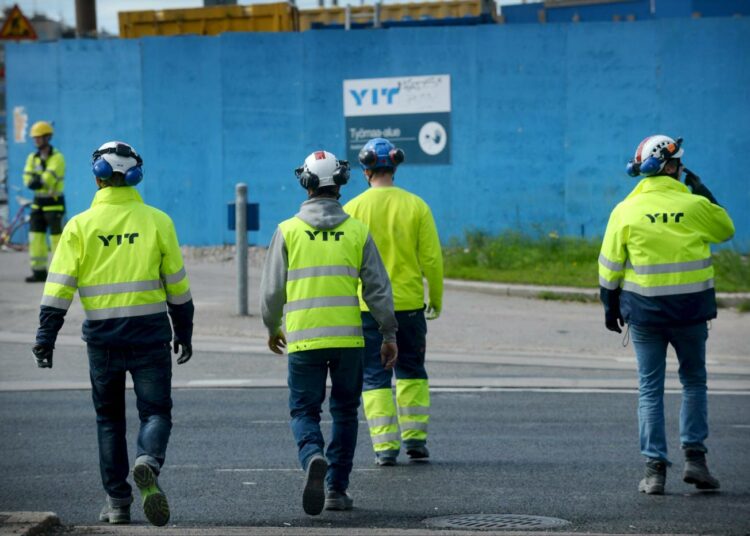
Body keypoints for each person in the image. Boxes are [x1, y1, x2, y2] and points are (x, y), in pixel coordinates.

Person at [32, 141, 195, 526]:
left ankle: (118, 504)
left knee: (109, 420)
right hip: (151, 335)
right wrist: (184, 331)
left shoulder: (80, 226)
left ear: (98, 176)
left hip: (103, 339)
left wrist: (45, 337)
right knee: (155, 412)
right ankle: (147, 461)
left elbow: (58, 288)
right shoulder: (158, 221)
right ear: (136, 175)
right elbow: (178, 286)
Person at [260, 150, 398, 514]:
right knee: (345, 412)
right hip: (349, 341)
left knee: (304, 411)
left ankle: (312, 456)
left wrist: (272, 326)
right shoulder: (356, 231)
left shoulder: (288, 230)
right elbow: (378, 290)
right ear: (341, 183)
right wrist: (388, 334)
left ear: (305, 183)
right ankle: (336, 488)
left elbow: (272, 291)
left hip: (304, 340)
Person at [599, 135, 735, 495]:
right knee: (693, 382)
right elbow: (726, 229)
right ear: (674, 168)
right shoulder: (694, 205)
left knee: (650, 389)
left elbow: (609, 267)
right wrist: (703, 191)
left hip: (645, 315)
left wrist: (609, 307)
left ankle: (655, 471)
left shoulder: (625, 211)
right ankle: (696, 461)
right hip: (690, 313)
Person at [344, 138, 443, 466]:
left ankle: (385, 447)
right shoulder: (416, 205)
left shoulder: (353, 208)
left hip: (367, 306)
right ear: (395, 167)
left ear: (366, 169)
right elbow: (432, 259)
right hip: (409, 304)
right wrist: (436, 299)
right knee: (412, 369)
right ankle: (415, 440)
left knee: (374, 374)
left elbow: (346, 261)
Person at [22, 121, 66, 282]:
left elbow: (49, 178)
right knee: (36, 239)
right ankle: (39, 272)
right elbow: (27, 178)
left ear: (48, 137)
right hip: (38, 204)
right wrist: (32, 181)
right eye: (35, 137)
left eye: (39, 137)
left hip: (54, 204)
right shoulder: (32, 158)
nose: (36, 140)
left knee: (57, 241)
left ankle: (59, 274)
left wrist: (37, 180)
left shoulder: (58, 157)